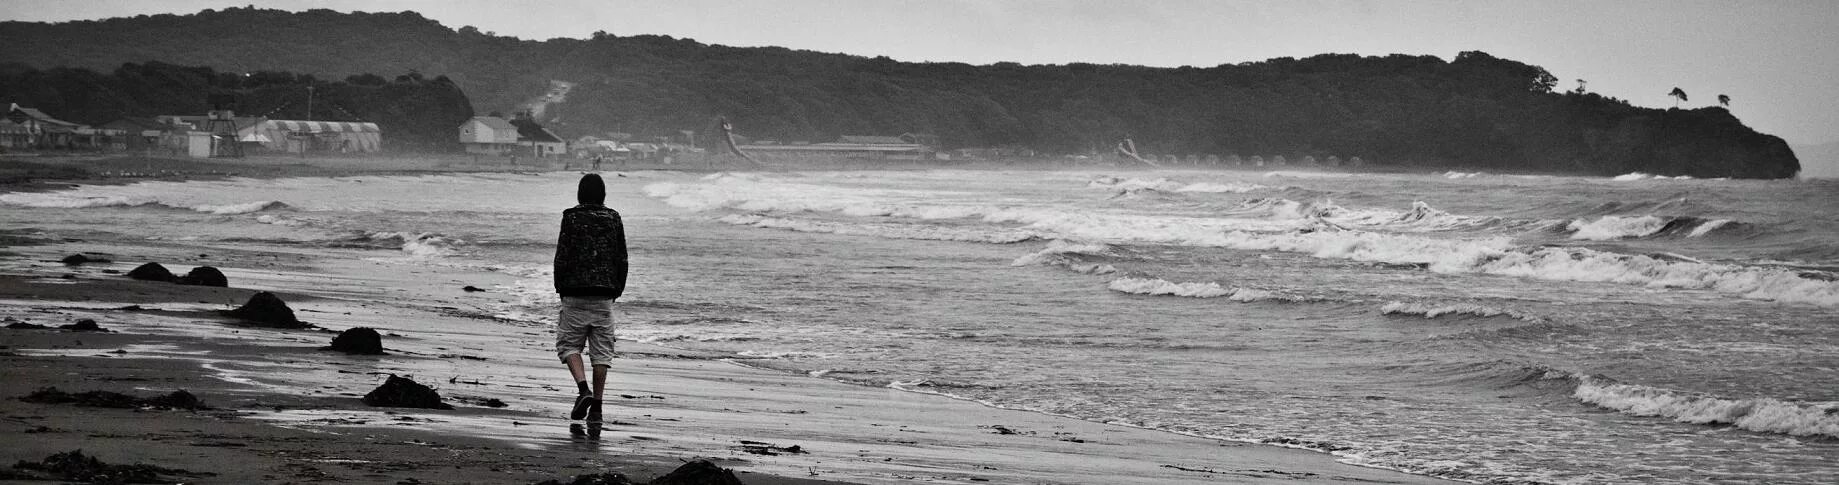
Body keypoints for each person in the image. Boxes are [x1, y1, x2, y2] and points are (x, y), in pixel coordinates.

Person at [552, 173, 628, 421]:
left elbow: (562, 254)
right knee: (602, 353)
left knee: (569, 346)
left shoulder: (571, 217)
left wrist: (559, 286)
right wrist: (618, 288)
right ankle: (597, 406)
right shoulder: (614, 218)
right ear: (603, 195)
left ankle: (583, 389)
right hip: (604, 294)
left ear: (580, 194)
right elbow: (622, 257)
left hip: (574, 292)